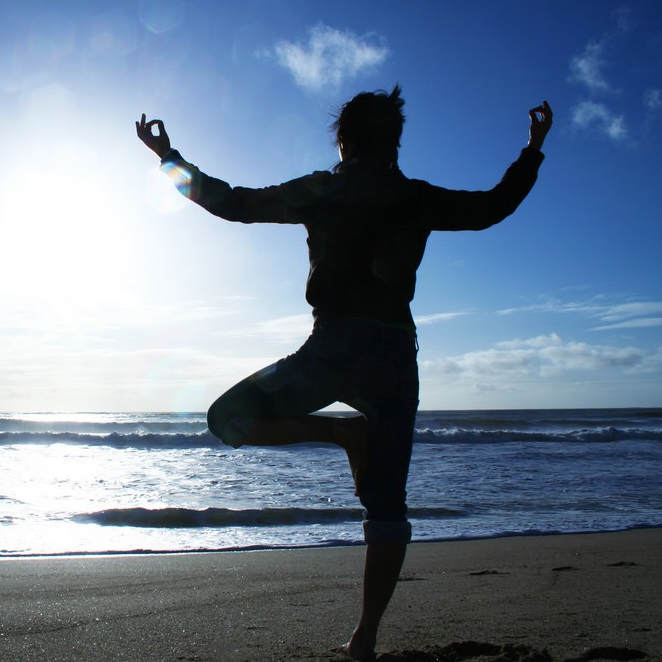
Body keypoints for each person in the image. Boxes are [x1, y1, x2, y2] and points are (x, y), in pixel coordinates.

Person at [136, 87, 552, 660]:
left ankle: (340, 432)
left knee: (226, 417)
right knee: (387, 508)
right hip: (393, 356)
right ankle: (365, 638)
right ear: (395, 141)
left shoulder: (323, 188)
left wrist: (167, 157)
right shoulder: (415, 196)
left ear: (342, 140)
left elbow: (230, 202)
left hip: (333, 347)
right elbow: (492, 207)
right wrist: (532, 150)